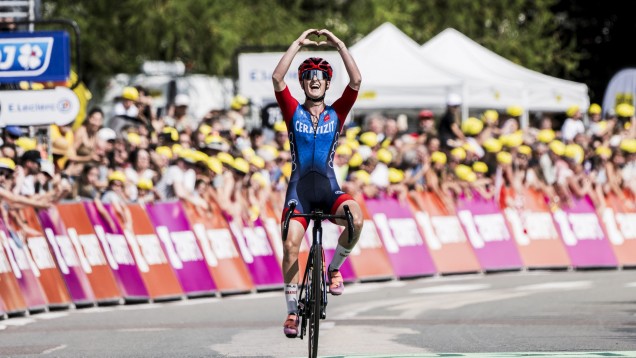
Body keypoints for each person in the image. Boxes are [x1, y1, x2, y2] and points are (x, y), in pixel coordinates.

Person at [272, 28, 363, 338]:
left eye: (320, 76)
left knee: (356, 218)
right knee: (289, 245)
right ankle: (292, 312)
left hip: (328, 188)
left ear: (326, 84)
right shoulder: (292, 110)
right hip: (300, 191)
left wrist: (338, 43)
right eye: (308, 75)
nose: (314, 79)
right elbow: (276, 79)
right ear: (304, 82)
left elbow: (356, 82)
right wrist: (298, 42)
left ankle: (334, 267)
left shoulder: (337, 112)